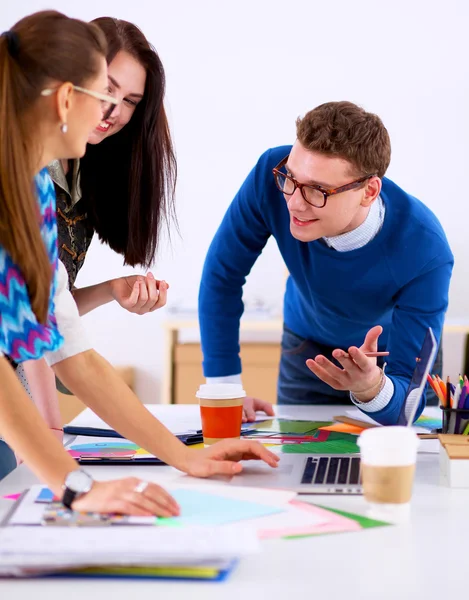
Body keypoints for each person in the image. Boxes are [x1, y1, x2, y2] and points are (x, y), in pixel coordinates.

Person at [0, 11, 279, 509]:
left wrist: (186, 457)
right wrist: (77, 486)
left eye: (128, 102)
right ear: (68, 98)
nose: (110, 115)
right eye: (103, 95)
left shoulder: (35, 189)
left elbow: (72, 350)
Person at [198, 101, 453, 425]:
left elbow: (404, 407)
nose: (293, 202)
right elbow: (222, 277)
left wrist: (372, 388)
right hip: (308, 346)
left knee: (410, 464)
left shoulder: (426, 250)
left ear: (368, 191)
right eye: (290, 178)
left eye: (318, 190)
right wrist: (225, 388)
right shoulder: (269, 175)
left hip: (388, 357)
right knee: (296, 466)